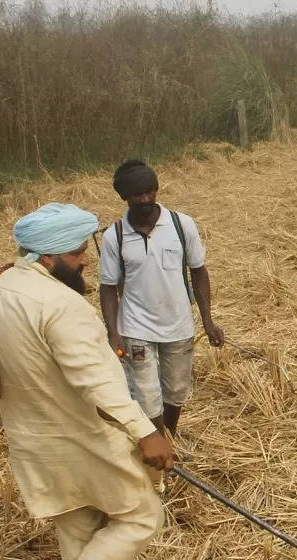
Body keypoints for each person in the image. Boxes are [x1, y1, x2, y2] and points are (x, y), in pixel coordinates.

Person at [0, 202, 174, 560]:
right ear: (48, 256)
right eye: (75, 253)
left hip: (32, 438)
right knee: (141, 517)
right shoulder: (59, 303)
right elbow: (94, 377)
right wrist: (145, 430)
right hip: (80, 436)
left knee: (78, 528)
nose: (85, 259)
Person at [99, 159, 224, 437]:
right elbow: (107, 287)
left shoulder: (182, 225)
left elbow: (198, 272)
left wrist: (208, 320)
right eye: (138, 195)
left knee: (176, 390)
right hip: (136, 329)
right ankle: (159, 447)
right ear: (124, 197)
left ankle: (168, 437)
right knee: (145, 394)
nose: (146, 199)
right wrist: (113, 333)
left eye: (151, 192)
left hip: (178, 327)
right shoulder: (114, 236)